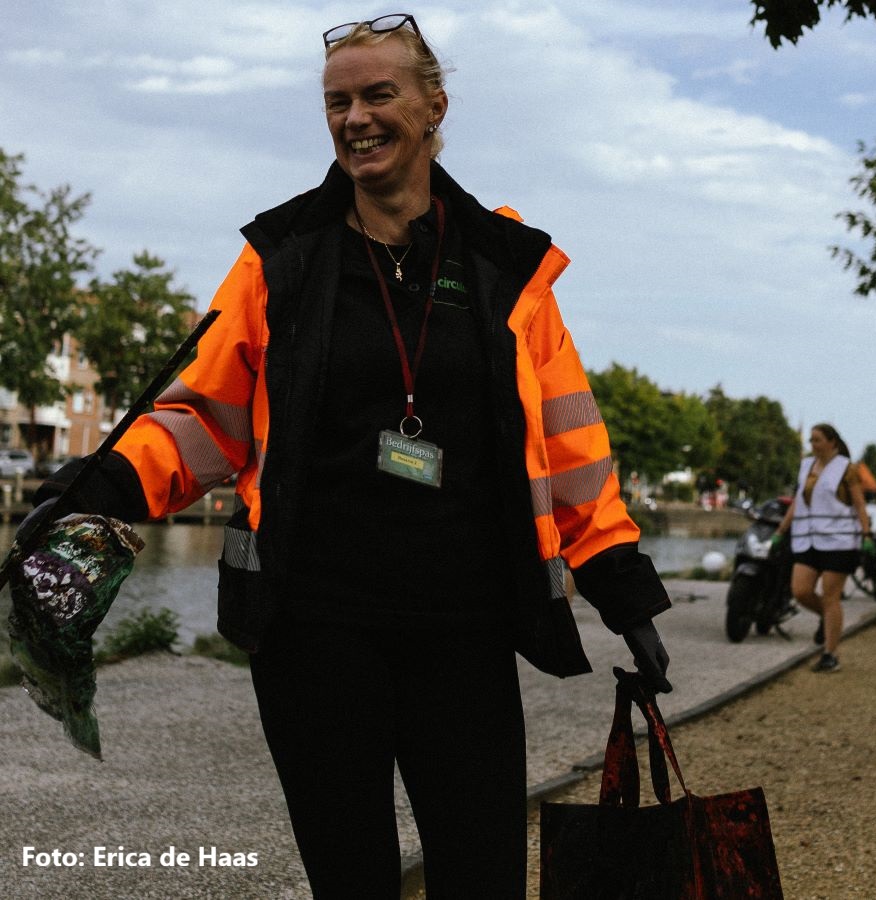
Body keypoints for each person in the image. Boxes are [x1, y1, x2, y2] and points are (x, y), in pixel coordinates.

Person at [30, 14, 672, 898]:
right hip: (313, 627)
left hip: (464, 624)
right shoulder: (281, 259)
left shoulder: (503, 265)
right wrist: (97, 483)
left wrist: (621, 583)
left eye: (378, 94)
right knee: (350, 877)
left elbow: (569, 444)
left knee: (483, 872)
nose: (355, 118)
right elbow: (206, 417)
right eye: (337, 101)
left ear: (434, 106)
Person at [773, 423, 874, 673]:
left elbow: (859, 505)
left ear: (832, 442)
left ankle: (830, 654)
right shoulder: (806, 466)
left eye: (817, 440)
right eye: (811, 440)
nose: (812, 444)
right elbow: (798, 502)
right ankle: (829, 620)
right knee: (801, 591)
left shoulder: (846, 469)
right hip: (807, 539)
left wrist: (867, 534)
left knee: (831, 597)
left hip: (840, 542)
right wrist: (780, 531)